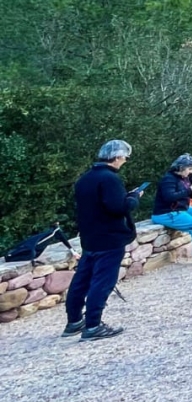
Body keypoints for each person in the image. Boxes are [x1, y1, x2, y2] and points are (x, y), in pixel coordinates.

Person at [64, 140, 142, 341]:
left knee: (82, 280)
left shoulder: (85, 178)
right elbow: (117, 208)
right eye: (124, 157)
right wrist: (134, 198)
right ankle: (93, 326)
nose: (125, 161)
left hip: (90, 237)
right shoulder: (109, 179)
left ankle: (74, 321)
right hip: (109, 238)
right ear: (116, 157)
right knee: (102, 281)